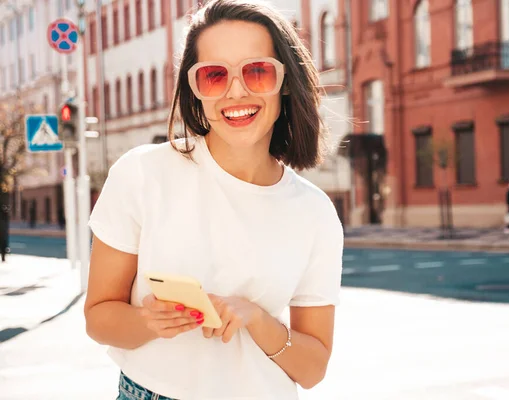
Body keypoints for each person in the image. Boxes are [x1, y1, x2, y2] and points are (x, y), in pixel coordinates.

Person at [83, 1, 344, 399]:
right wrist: (147, 321)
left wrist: (257, 319)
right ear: (195, 89)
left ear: (286, 80)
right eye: (214, 75)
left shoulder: (314, 213)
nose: (235, 91)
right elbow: (98, 318)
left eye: (257, 71)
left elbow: (312, 369)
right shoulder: (142, 175)